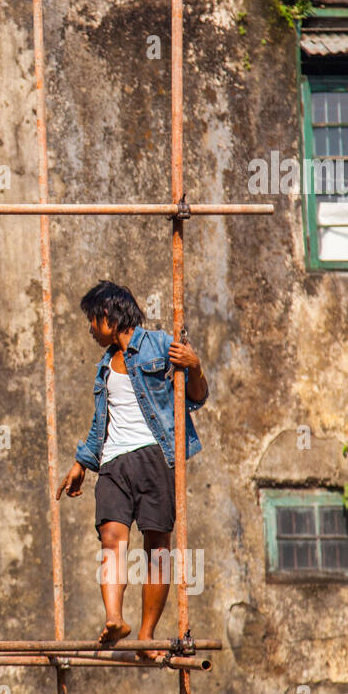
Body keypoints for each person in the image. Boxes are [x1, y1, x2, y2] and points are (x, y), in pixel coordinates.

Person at [56, 280, 208, 661]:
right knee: (111, 538)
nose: (90, 329)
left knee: (156, 549)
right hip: (112, 463)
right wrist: (81, 463)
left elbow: (197, 397)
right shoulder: (105, 367)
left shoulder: (160, 345)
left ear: (107, 315)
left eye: (92, 320)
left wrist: (196, 366)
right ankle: (114, 619)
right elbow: (99, 423)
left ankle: (146, 635)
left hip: (155, 457)